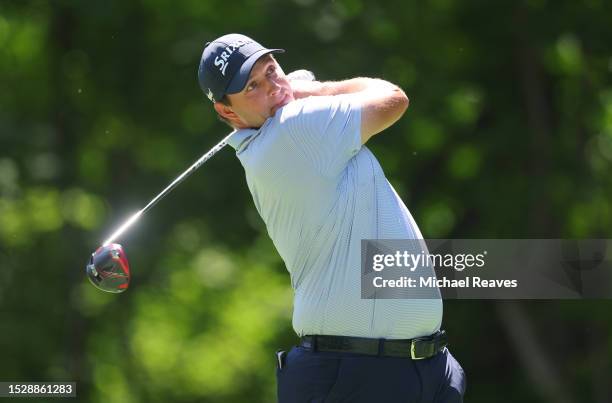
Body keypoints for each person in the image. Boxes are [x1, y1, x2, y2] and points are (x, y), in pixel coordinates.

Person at [198, 33, 466, 403]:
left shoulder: (285, 131)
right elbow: (392, 99)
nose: (274, 87)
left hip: (421, 367)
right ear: (228, 112)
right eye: (253, 87)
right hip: (356, 374)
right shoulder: (292, 130)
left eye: (271, 71)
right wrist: (315, 90)